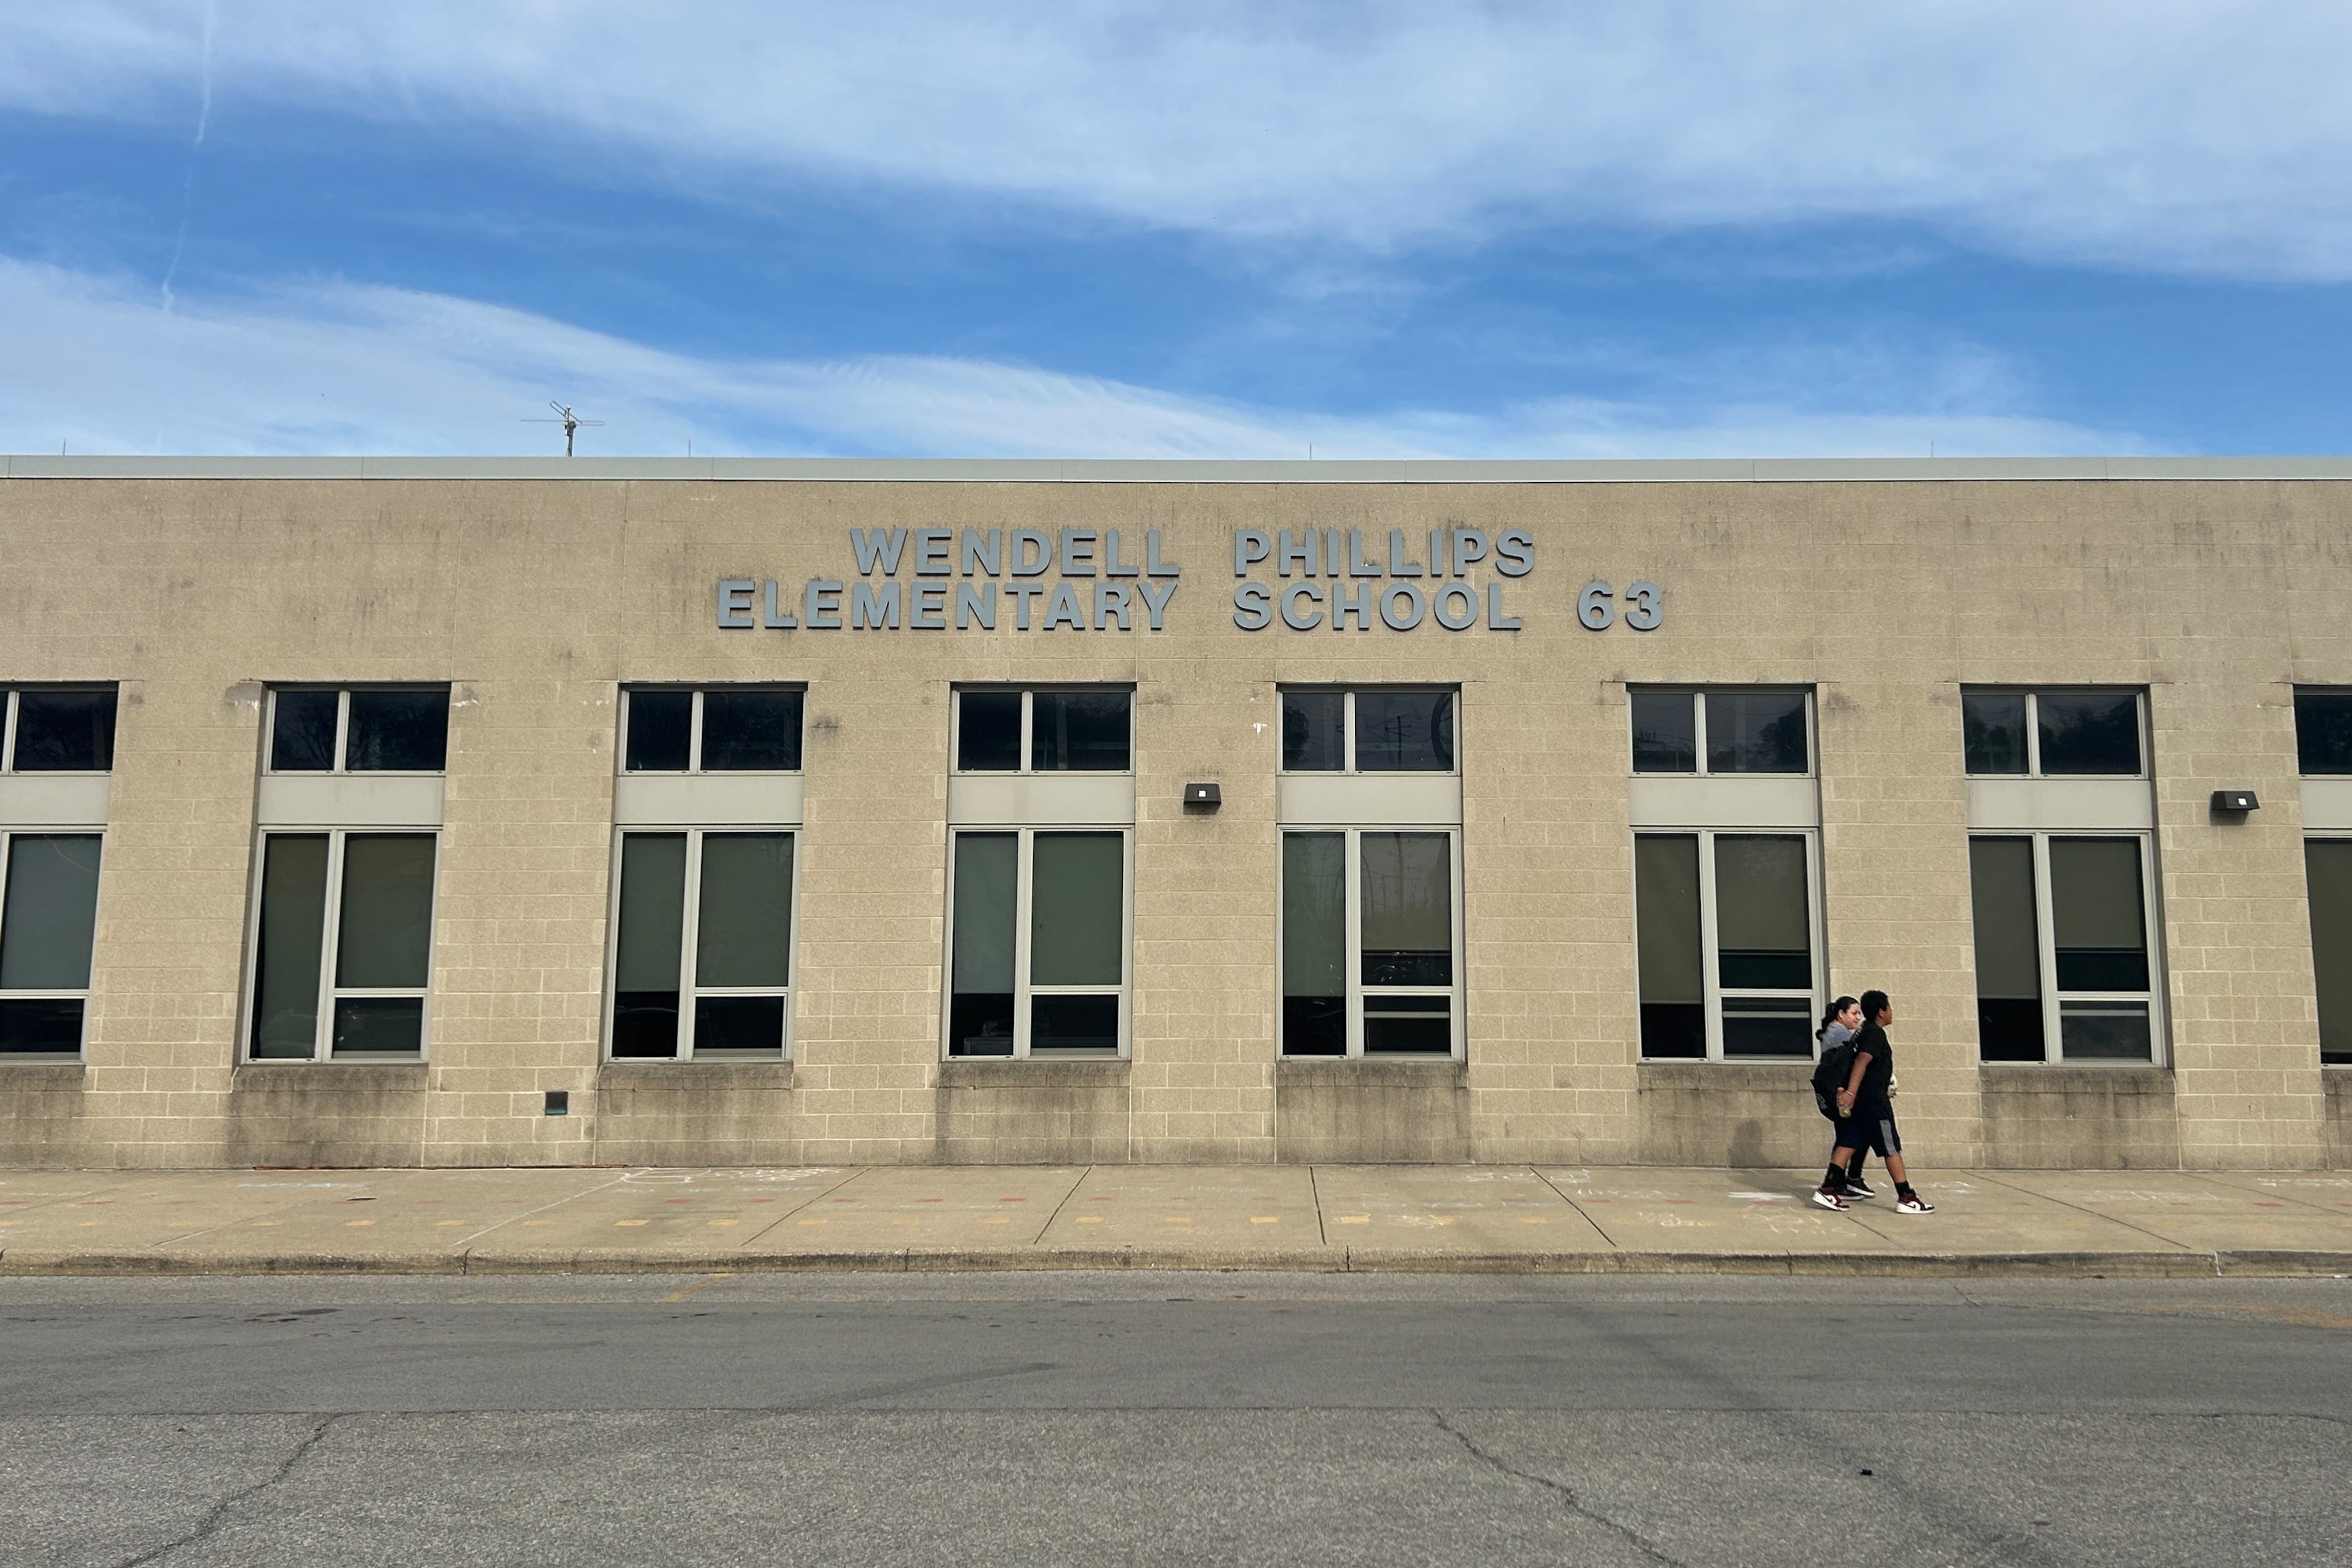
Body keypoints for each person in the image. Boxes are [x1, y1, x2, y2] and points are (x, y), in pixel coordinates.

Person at [1812, 991, 1934, 1215]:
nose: (1891, 1012)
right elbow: (1862, 1061)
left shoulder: (1861, 1032)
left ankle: (1828, 1189)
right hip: (1873, 1103)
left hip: (1860, 1102)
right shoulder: (1874, 1034)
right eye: (1889, 1007)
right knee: (1891, 1148)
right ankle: (1906, 1197)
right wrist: (1851, 1093)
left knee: (1850, 1142)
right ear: (1881, 1012)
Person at [1812, 996, 1874, 1198]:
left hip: (1835, 1093)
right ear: (1841, 1014)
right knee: (1853, 1137)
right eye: (1854, 1013)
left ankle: (1841, 1181)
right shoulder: (1839, 1034)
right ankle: (1844, 1181)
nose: (1858, 1018)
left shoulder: (1834, 1031)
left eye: (1859, 1014)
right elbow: (1852, 1063)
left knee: (1848, 1136)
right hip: (1841, 1094)